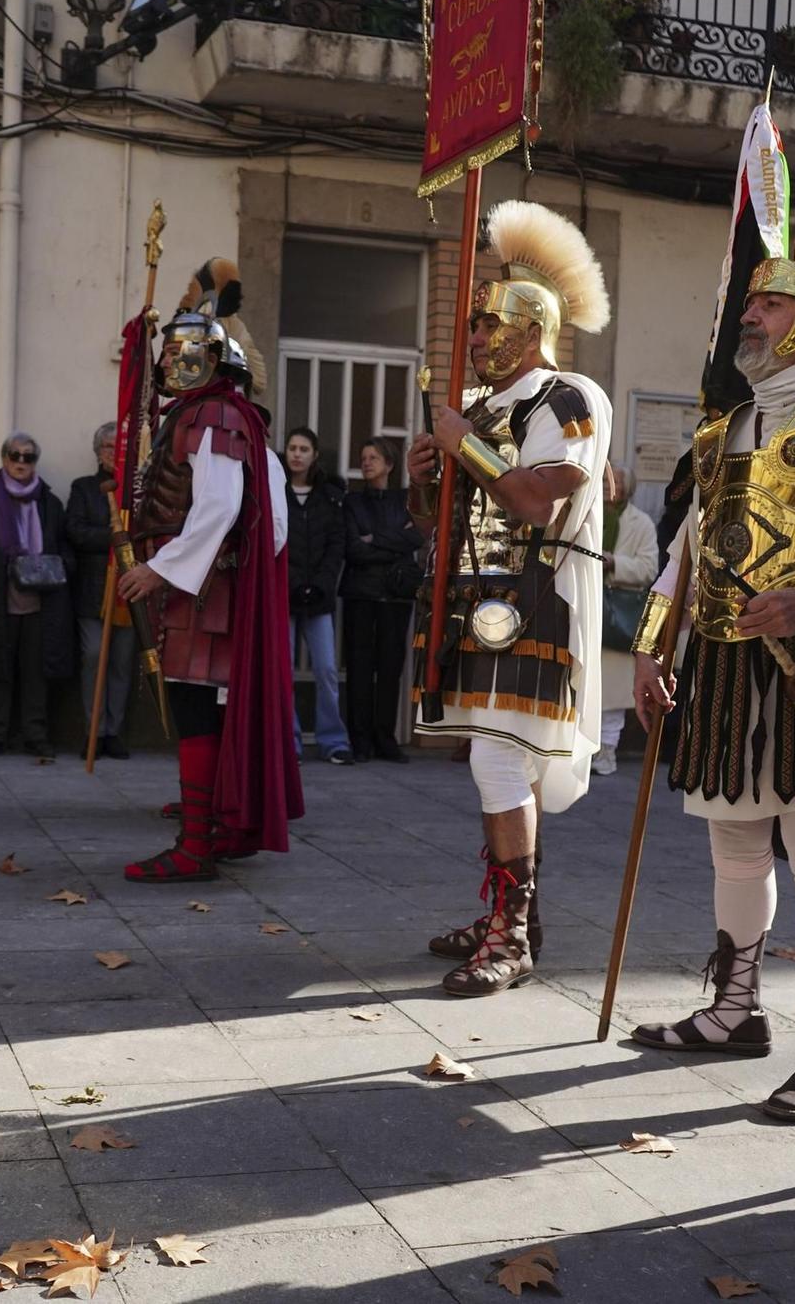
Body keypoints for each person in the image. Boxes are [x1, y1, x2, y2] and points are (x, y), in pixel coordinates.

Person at [629, 187, 795, 1119]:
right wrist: (653, 650)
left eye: (769, 304)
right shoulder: (721, 430)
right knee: (734, 850)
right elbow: (684, 552)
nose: (750, 313)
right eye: (752, 304)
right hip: (727, 672)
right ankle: (736, 1008)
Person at [408, 201, 612, 996]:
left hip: (538, 598)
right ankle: (507, 911)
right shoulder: (487, 409)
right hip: (477, 602)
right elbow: (445, 520)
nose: (477, 340)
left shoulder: (569, 397)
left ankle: (513, 932)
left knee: (500, 758)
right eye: (474, 330)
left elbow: (540, 505)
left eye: (490, 327)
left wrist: (466, 444)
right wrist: (430, 478)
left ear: (531, 328)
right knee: (499, 764)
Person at [117, 255, 302, 882]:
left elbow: (221, 506)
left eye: (177, 354)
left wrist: (162, 570)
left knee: (196, 707)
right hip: (207, 590)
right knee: (204, 708)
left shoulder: (216, 415)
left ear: (210, 359)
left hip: (206, 593)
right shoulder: (207, 415)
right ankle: (211, 827)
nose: (167, 364)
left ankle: (196, 846)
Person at [0, 433, 73, 760]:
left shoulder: (49, 503)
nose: (21, 462)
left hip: (41, 601)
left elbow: (64, 545)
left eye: (28, 457)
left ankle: (35, 735)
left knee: (36, 672)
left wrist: (61, 567)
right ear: (4, 458)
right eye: (14, 455)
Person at [339, 435, 423, 763]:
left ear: (389, 464)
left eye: (373, 457)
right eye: (363, 456)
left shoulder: (406, 499)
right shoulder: (352, 502)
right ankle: (360, 740)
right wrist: (392, 541)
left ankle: (385, 738)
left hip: (396, 595)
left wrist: (375, 539)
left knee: (391, 668)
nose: (367, 462)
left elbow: (415, 536)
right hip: (360, 594)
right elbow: (353, 549)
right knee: (359, 668)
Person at [65, 421, 136, 760]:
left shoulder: (135, 491)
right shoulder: (83, 489)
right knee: (94, 655)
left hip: (128, 590)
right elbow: (76, 532)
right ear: (97, 453)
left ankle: (113, 732)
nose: (113, 453)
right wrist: (113, 539)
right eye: (108, 448)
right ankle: (93, 728)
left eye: (118, 447)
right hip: (93, 590)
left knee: (122, 662)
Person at [283, 427, 353, 765]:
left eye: (303, 449)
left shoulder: (329, 496)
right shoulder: (275, 492)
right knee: (283, 671)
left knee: (325, 669)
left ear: (314, 455)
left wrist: (322, 583)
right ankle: (289, 741)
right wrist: (294, 582)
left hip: (320, 597)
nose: (296, 454)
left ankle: (333, 741)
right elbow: (276, 543)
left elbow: (336, 544)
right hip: (284, 596)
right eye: (292, 448)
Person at [595, 464, 657, 777]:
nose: (608, 487)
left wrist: (614, 562)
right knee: (587, 685)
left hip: (619, 612)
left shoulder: (641, 523)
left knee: (615, 691)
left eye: (616, 482)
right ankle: (587, 750)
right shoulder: (586, 514)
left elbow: (649, 568)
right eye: (606, 481)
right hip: (590, 608)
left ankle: (607, 752)